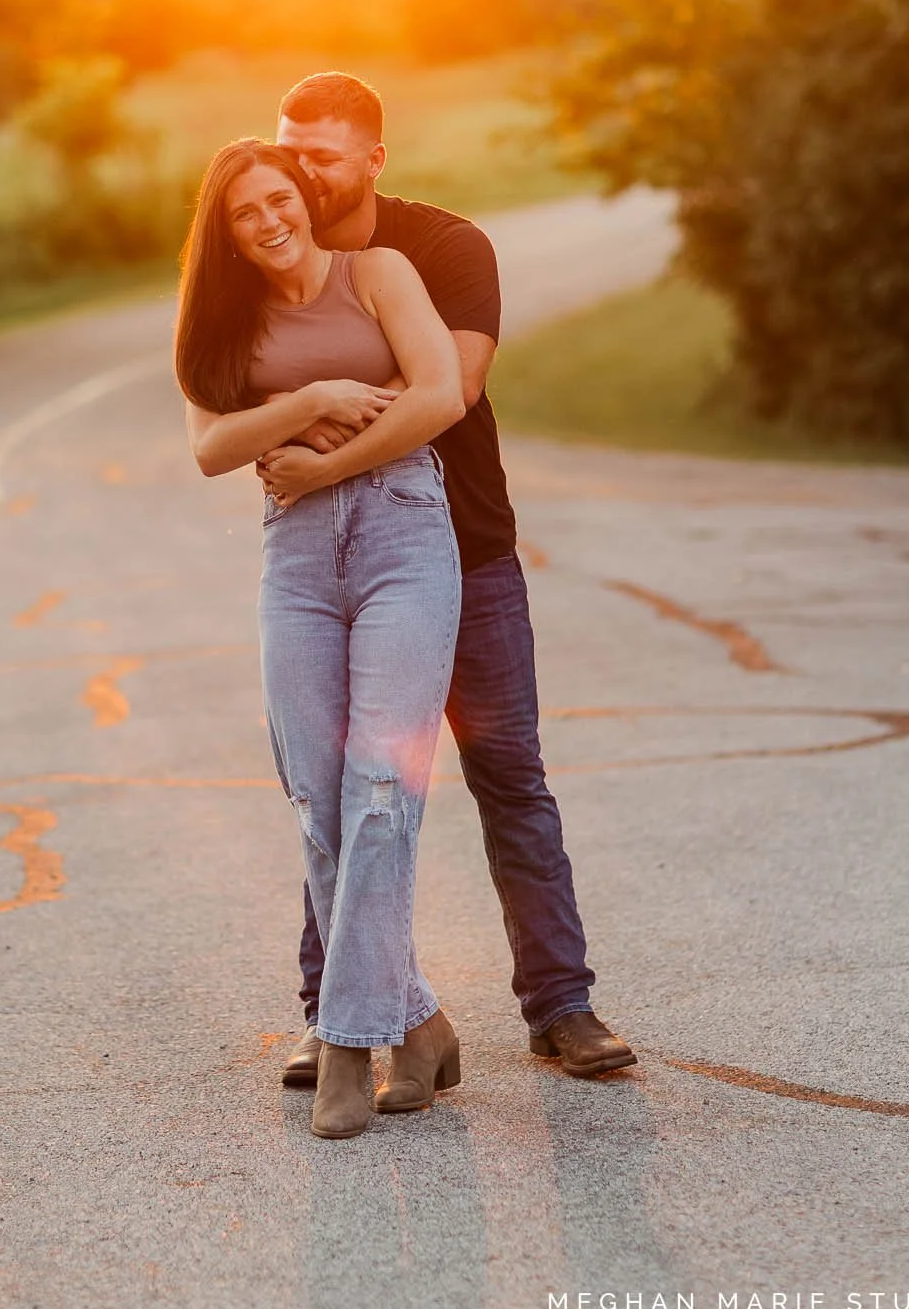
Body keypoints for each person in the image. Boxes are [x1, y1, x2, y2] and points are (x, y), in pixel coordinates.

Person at [272, 72, 637, 1083]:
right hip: (341, 563)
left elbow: (456, 385)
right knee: (343, 790)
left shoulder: (447, 248)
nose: (301, 173)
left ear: (373, 159)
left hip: (467, 549)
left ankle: (561, 1005)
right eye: (287, 150)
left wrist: (324, 432)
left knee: (508, 772)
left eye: (322, 155)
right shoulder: (279, 259)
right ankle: (332, 1013)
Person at [175, 137, 470, 1140]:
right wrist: (310, 403)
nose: (269, 221)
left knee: (381, 790)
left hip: (402, 535)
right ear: (226, 235)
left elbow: (439, 395)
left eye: (279, 199)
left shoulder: (377, 273)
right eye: (244, 213)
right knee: (317, 797)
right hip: (297, 558)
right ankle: (418, 1023)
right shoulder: (224, 321)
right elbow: (211, 445)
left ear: (303, 199)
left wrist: (322, 463)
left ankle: (348, 1044)